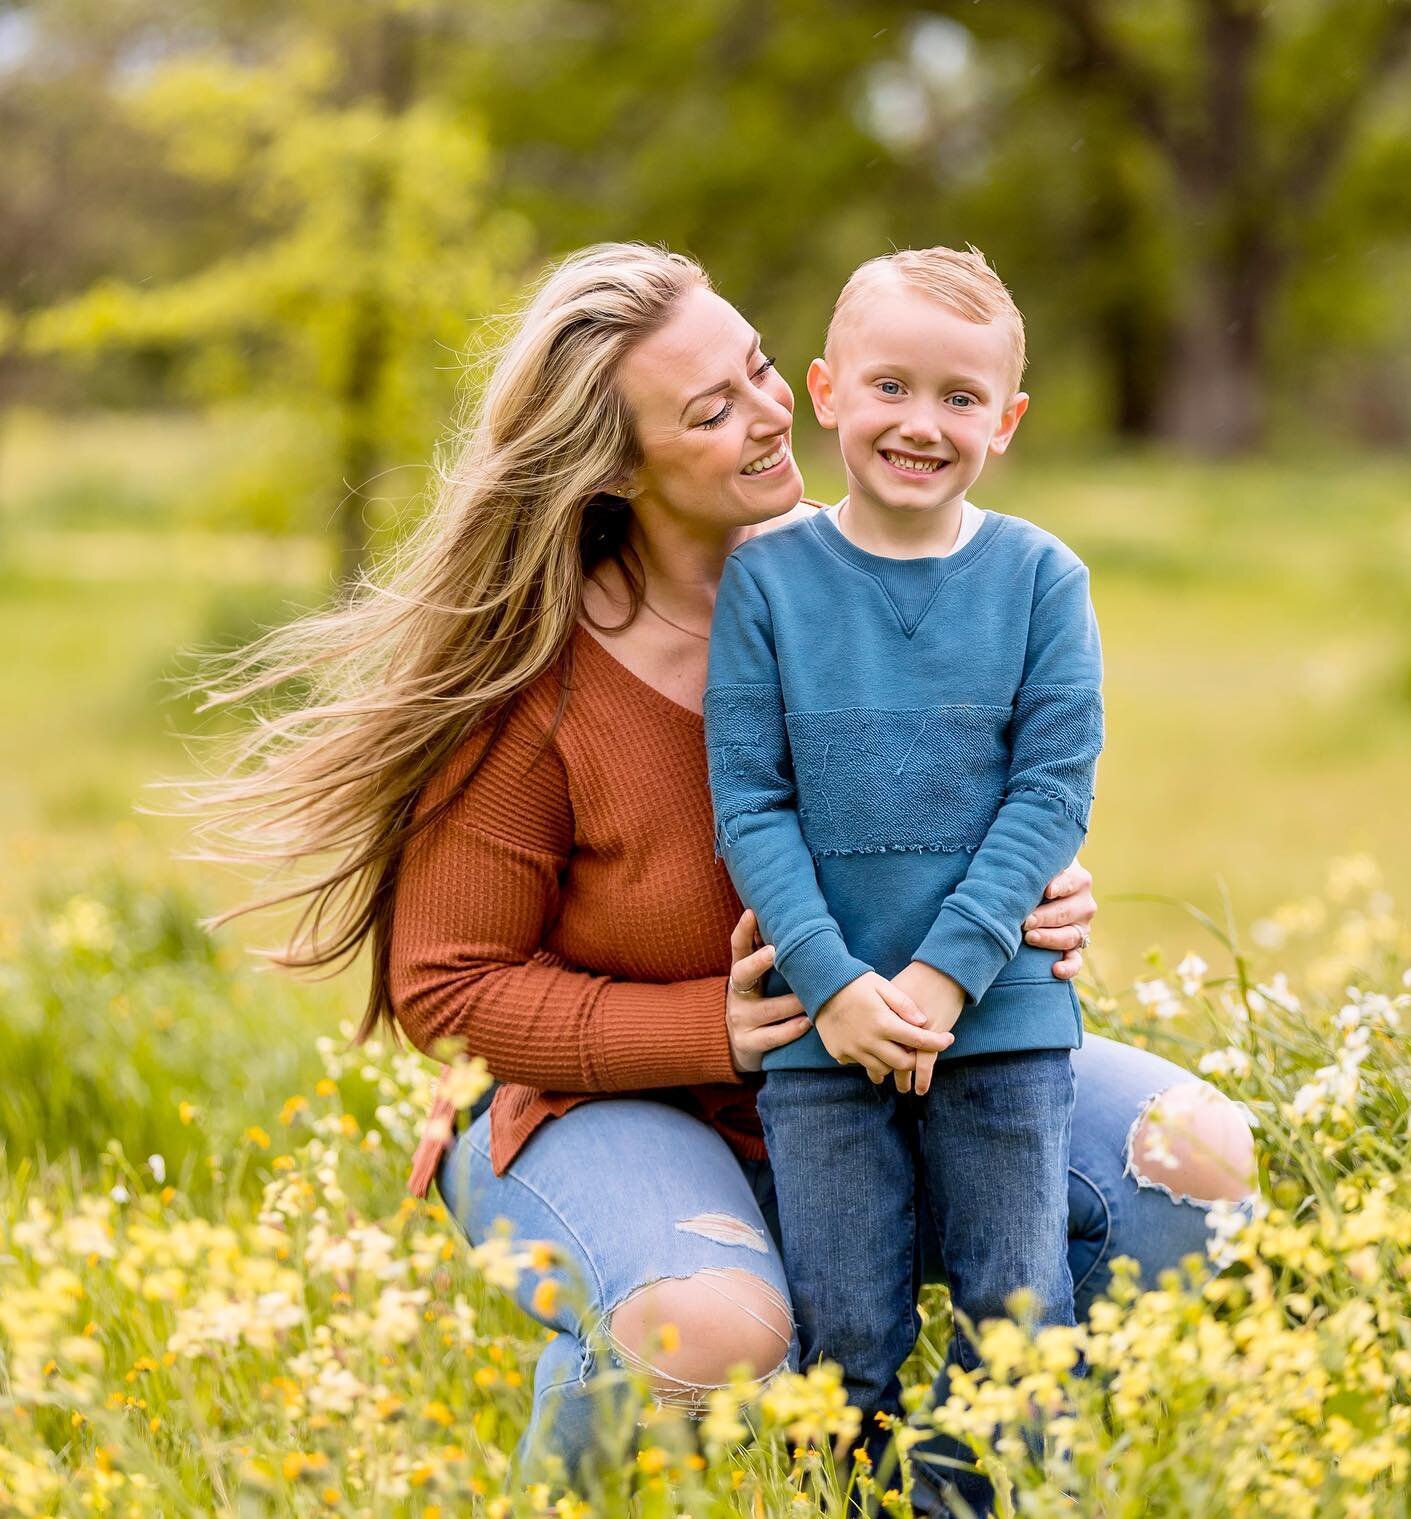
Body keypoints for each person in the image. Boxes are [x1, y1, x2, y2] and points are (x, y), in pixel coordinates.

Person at [184, 242, 1257, 1494]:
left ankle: (995, 1475)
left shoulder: (893, 559)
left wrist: (1030, 899)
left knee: (1191, 1166)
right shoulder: (533, 680)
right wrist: (716, 1026)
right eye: (712, 409)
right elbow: (448, 989)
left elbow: (1010, 783)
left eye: (757, 369)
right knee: (714, 1331)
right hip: (611, 1107)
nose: (769, 414)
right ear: (617, 466)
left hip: (903, 1057)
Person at [705, 245, 1098, 1509]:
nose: (922, 424)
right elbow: (751, 803)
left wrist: (944, 972)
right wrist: (834, 986)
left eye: (961, 398)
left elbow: (1051, 792)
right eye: (889, 385)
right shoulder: (767, 581)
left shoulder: (1042, 578)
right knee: (847, 1340)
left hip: (1001, 1020)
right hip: (825, 1038)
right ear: (825, 390)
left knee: (1017, 1328)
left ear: (1008, 420)